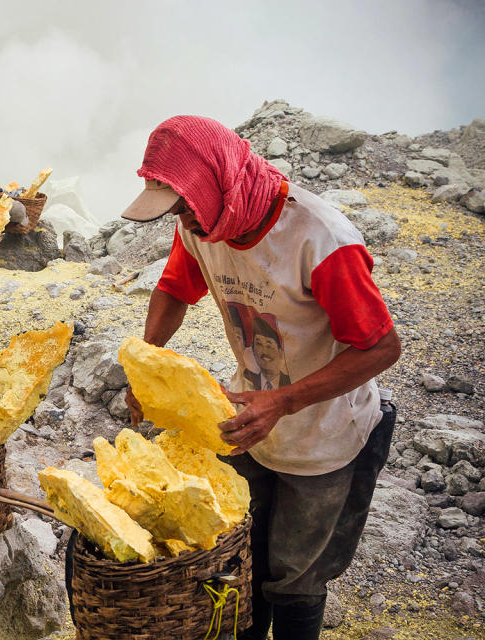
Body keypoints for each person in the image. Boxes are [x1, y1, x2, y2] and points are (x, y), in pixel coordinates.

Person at [122, 116, 400, 640]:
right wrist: (144, 360)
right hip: (251, 420)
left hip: (325, 433)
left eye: (184, 204)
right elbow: (174, 290)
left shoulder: (321, 239)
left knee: (296, 576)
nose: (181, 220)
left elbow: (381, 346)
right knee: (245, 556)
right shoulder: (204, 224)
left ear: (217, 184)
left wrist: (283, 401)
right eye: (174, 208)